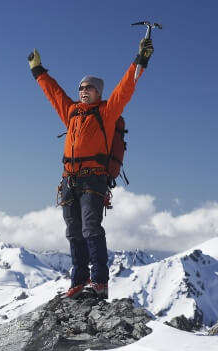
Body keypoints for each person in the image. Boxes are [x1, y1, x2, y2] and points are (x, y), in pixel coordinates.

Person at [28, 38, 154, 299]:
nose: (83, 91)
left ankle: (99, 282)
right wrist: (38, 71)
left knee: (90, 228)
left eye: (89, 88)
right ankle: (79, 280)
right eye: (81, 87)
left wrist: (140, 60)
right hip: (69, 181)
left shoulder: (107, 113)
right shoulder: (72, 112)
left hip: (93, 181)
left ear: (99, 92)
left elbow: (126, 88)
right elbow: (54, 93)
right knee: (73, 232)